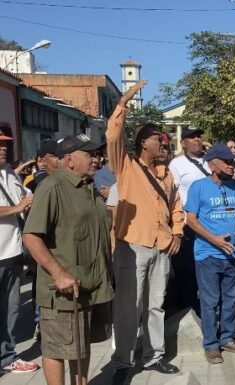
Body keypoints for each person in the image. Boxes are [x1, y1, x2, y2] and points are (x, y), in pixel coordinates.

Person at [107, 81, 185, 383]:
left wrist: (177, 233)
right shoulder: (125, 166)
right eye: (159, 139)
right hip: (133, 246)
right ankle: (122, 362)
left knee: (156, 305)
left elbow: (177, 207)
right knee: (129, 307)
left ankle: (154, 356)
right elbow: (113, 136)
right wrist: (123, 103)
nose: (165, 143)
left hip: (163, 247)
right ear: (143, 143)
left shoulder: (167, 174)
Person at [22, 134, 114, 385]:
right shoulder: (52, 187)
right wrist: (58, 273)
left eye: (96, 154)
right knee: (57, 349)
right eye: (90, 155)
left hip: (89, 287)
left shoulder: (88, 187)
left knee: (80, 345)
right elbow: (31, 236)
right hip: (62, 290)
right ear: (70, 160)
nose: (96, 159)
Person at [184, 143, 235, 364]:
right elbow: (190, 219)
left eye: (233, 161)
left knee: (230, 300)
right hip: (208, 255)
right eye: (227, 162)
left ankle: (227, 338)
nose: (232, 166)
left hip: (232, 255)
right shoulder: (198, 187)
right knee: (211, 302)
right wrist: (214, 240)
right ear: (212, 165)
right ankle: (211, 345)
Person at [0, 130, 38, 375]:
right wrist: (18, 207)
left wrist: (29, 202)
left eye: (5, 144)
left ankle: (7, 356)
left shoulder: (11, 174)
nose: (3, 148)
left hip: (13, 252)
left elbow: (26, 198)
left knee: (11, 308)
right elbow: (19, 205)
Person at [167, 127, 210, 311]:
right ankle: (189, 307)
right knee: (188, 269)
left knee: (208, 268)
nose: (197, 140)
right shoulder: (176, 165)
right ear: (183, 143)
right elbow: (172, 194)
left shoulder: (211, 161)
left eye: (199, 137)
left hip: (211, 224)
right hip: (188, 225)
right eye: (191, 137)